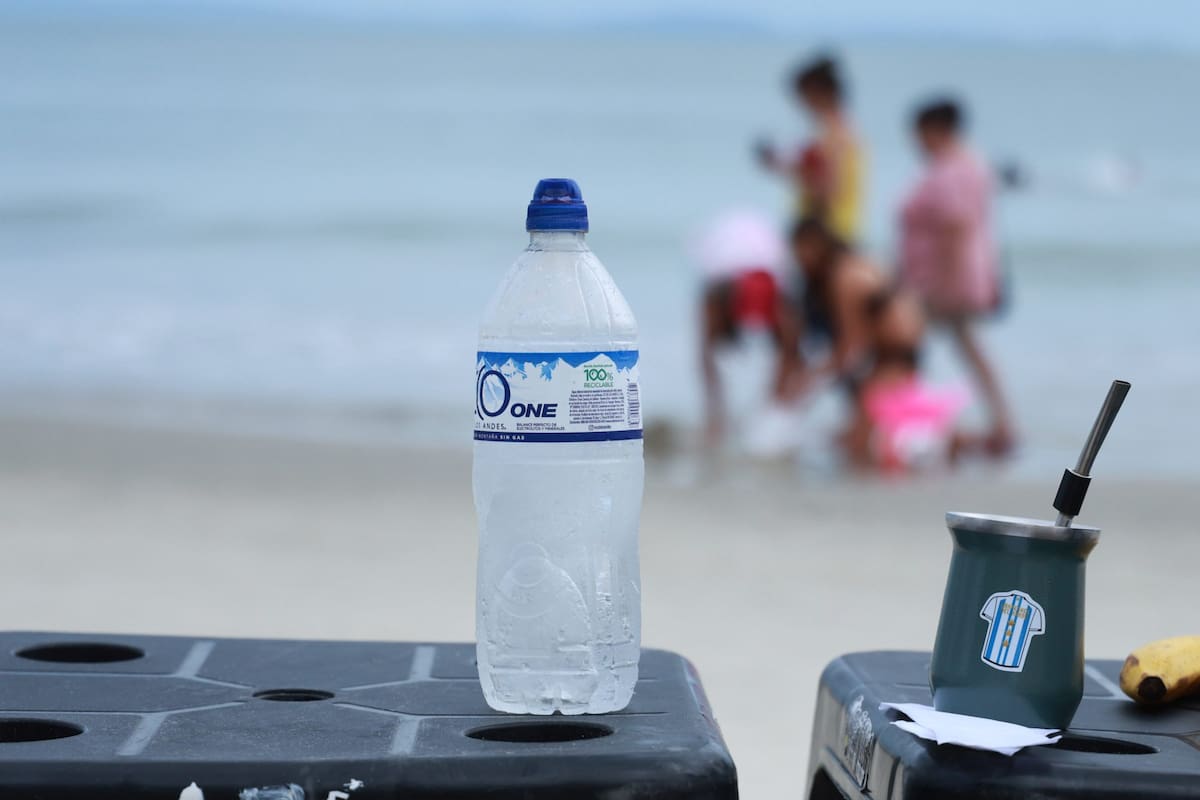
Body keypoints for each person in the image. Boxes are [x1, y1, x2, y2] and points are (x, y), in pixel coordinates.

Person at [898, 98, 1015, 455]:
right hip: (963, 276)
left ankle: (912, 423)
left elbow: (955, 226)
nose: (916, 143)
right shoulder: (974, 166)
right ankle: (1000, 423)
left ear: (936, 130)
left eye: (919, 134)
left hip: (942, 281)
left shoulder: (949, 170)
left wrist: (939, 284)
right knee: (967, 347)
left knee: (905, 346)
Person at [697, 211, 803, 444]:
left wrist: (774, 405)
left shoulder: (780, 295)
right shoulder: (715, 295)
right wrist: (716, 414)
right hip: (721, 264)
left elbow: (790, 353)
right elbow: (705, 356)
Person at [840, 287, 969, 471]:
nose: (907, 325)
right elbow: (862, 437)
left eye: (913, 318)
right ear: (875, 326)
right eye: (898, 318)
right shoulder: (872, 383)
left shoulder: (915, 376)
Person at [757, 55, 864, 244]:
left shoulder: (835, 134)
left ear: (817, 92)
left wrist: (794, 169)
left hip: (828, 237)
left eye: (803, 95)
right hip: (835, 232)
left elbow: (828, 189)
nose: (800, 103)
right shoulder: (836, 131)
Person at [788, 216, 883, 387]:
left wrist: (814, 377)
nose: (799, 259)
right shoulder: (846, 270)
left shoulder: (844, 277)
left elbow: (853, 345)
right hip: (882, 360)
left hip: (893, 360)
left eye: (802, 250)